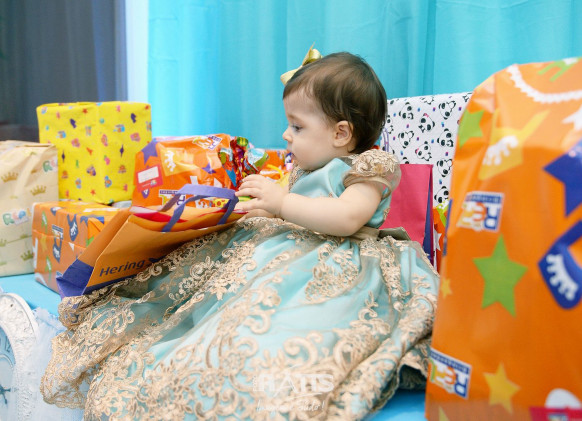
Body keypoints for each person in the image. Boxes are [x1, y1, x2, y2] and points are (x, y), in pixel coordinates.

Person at [41, 51, 439, 420]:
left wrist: (282, 204)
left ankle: (245, 370)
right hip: (292, 247)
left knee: (281, 321)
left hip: (340, 264)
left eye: (297, 126)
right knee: (210, 295)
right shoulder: (306, 167)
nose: (286, 135)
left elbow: (347, 217)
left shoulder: (368, 166)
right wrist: (262, 207)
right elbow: (295, 208)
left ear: (340, 133)